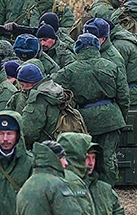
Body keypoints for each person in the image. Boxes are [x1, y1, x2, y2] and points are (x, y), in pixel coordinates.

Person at [55, 33, 130, 184]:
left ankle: (84, 187)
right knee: (108, 157)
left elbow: (58, 94)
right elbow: (124, 96)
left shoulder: (69, 71)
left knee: (83, 155)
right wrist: (120, 116)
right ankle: (107, 189)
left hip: (84, 119)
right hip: (111, 117)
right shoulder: (112, 66)